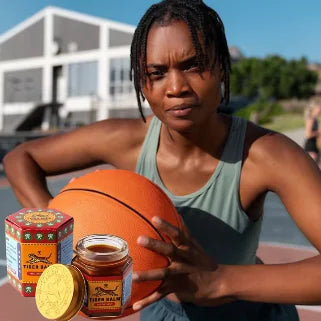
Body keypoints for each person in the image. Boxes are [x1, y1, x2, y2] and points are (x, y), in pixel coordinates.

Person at [3, 1, 321, 320]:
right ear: (143, 84)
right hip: (161, 312)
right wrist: (59, 233)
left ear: (222, 68)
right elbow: (22, 158)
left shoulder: (264, 154)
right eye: (157, 73)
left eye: (194, 66)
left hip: (246, 312)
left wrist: (222, 280)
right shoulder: (128, 141)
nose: (176, 87)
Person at [303, 101, 321, 166]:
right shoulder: (310, 119)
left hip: (316, 146)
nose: (320, 108)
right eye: (318, 107)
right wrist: (319, 132)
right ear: (314, 109)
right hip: (310, 147)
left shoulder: (315, 119)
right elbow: (308, 135)